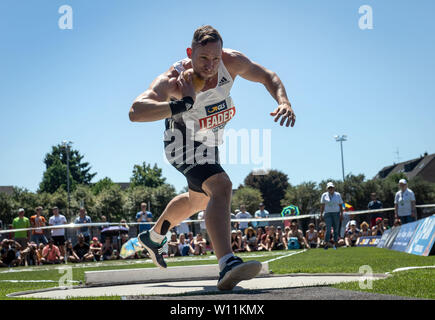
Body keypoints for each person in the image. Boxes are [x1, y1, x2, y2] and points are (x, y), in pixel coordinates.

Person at [129, 25, 295, 290]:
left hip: (209, 142)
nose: (210, 66)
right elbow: (136, 111)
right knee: (221, 185)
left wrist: (283, 101)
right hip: (181, 141)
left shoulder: (233, 62)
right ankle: (226, 263)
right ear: (189, 53)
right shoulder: (174, 80)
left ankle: (154, 236)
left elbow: (268, 76)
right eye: (203, 59)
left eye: (215, 58)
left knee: (199, 198)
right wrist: (180, 104)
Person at [320, 182, 344, 250]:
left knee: (336, 229)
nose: (330, 189)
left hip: (336, 213)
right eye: (329, 188)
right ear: (327, 188)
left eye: (331, 187)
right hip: (327, 213)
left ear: (334, 188)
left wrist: (341, 214)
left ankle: (335, 243)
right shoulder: (324, 195)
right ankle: (326, 243)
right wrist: (321, 214)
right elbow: (322, 205)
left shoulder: (338, 195)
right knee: (328, 229)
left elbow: (340, 205)